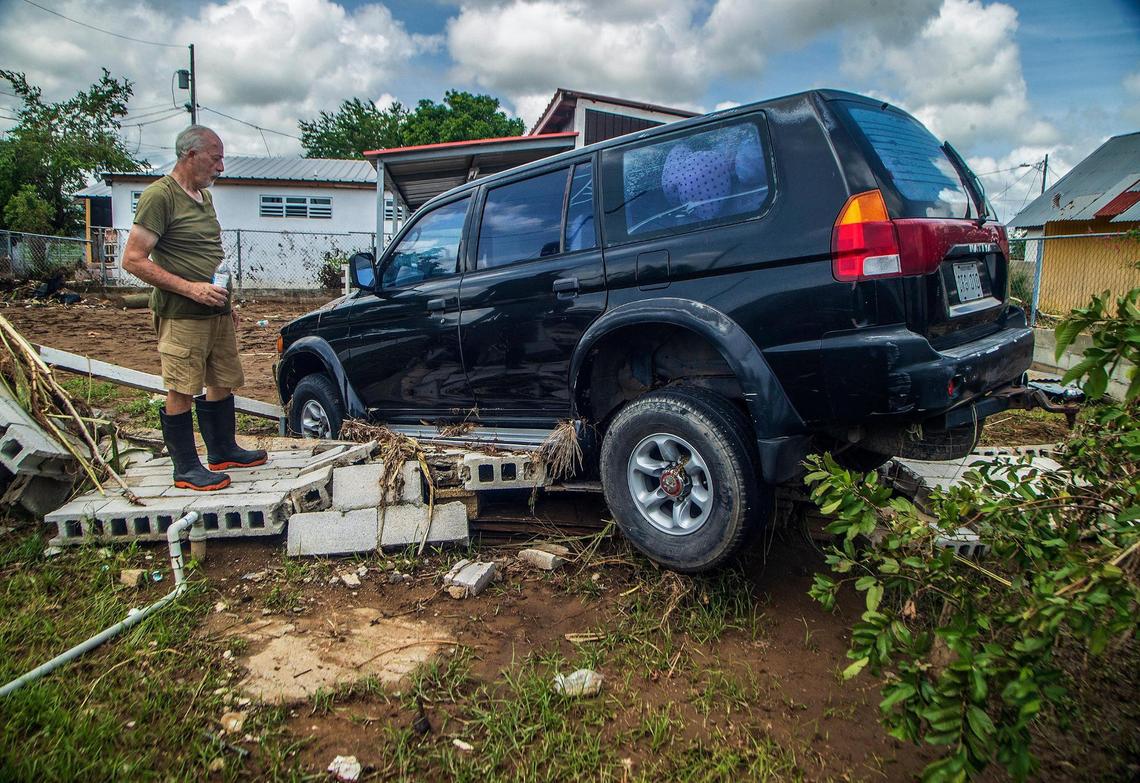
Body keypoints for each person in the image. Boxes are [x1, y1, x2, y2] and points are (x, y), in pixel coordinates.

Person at [122, 125, 266, 491]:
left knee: (221, 379)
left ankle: (222, 450)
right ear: (191, 155)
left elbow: (208, 255)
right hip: (182, 313)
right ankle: (186, 467)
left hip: (214, 311)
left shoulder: (203, 196)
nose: (220, 167)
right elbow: (134, 260)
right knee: (182, 386)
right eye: (216, 158)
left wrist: (225, 302)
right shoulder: (160, 196)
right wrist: (191, 290)